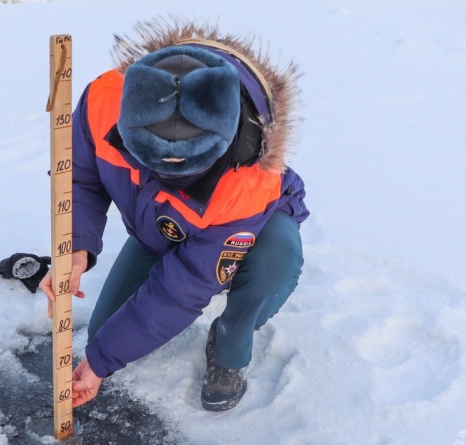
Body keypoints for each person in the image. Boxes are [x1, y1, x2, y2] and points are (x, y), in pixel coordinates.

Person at [39, 19, 309, 412]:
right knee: (103, 336)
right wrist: (77, 246)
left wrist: (99, 365)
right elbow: (78, 176)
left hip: (254, 222)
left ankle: (230, 349)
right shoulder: (105, 99)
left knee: (271, 270)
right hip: (162, 226)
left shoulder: (249, 182)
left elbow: (181, 288)